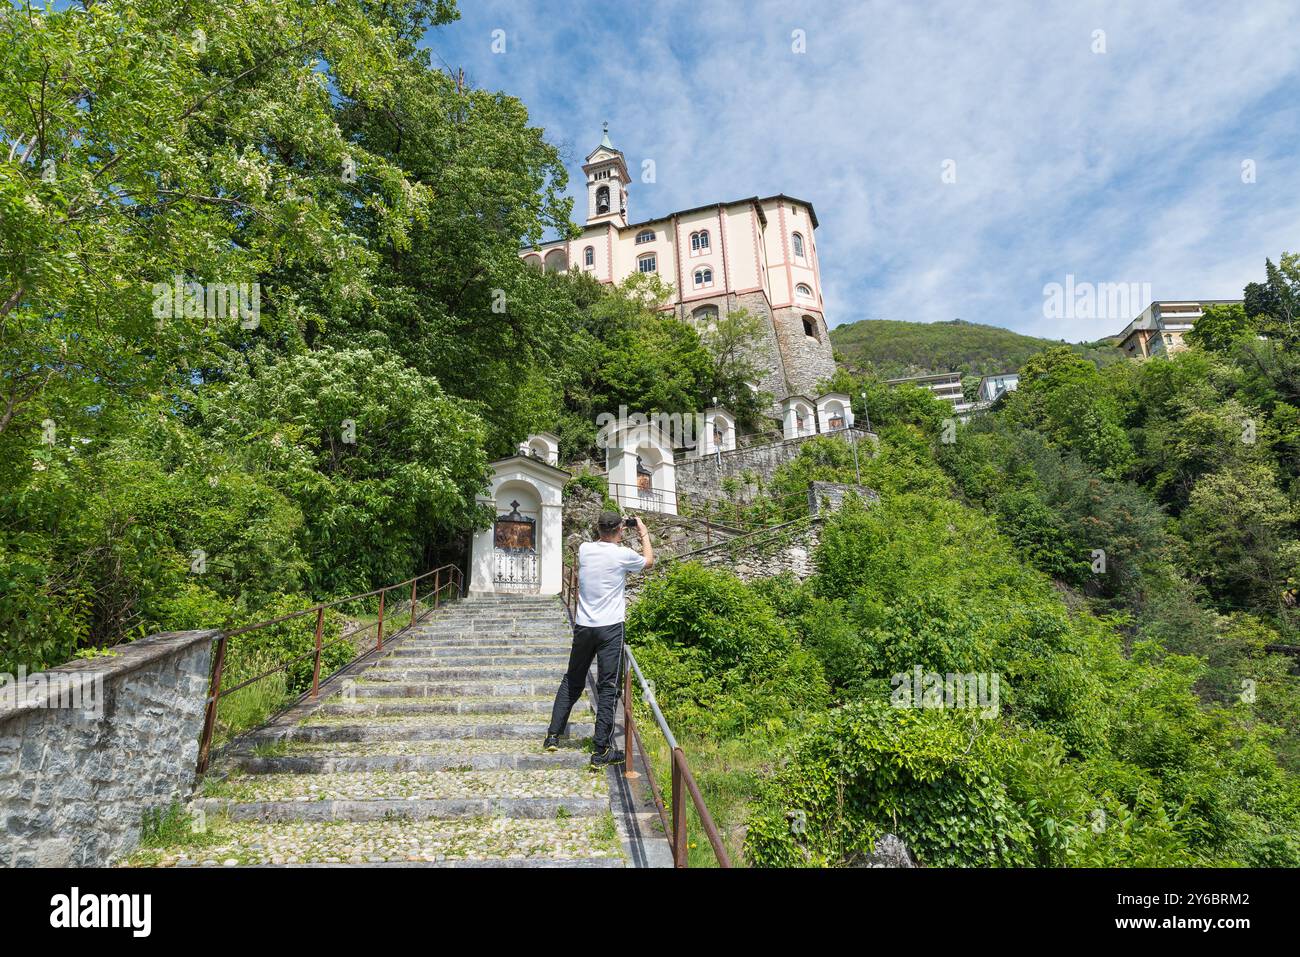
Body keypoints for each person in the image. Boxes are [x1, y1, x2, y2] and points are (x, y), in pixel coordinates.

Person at [545, 511, 654, 768]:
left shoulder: (584, 550)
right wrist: (643, 531)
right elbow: (649, 560)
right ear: (620, 529)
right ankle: (601, 750)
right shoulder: (623, 555)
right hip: (610, 629)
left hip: (584, 626)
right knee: (608, 687)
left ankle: (553, 735)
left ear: (598, 529)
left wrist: (618, 531)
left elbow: (602, 542)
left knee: (572, 679)